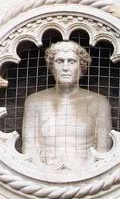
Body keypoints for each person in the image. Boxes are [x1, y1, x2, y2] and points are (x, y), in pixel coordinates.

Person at [21, 40, 113, 171]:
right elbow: (28, 151)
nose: (65, 68)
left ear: (81, 67)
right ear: (52, 67)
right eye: (59, 61)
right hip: (43, 175)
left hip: (86, 175)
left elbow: (103, 153)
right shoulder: (34, 101)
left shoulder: (98, 103)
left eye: (71, 62)